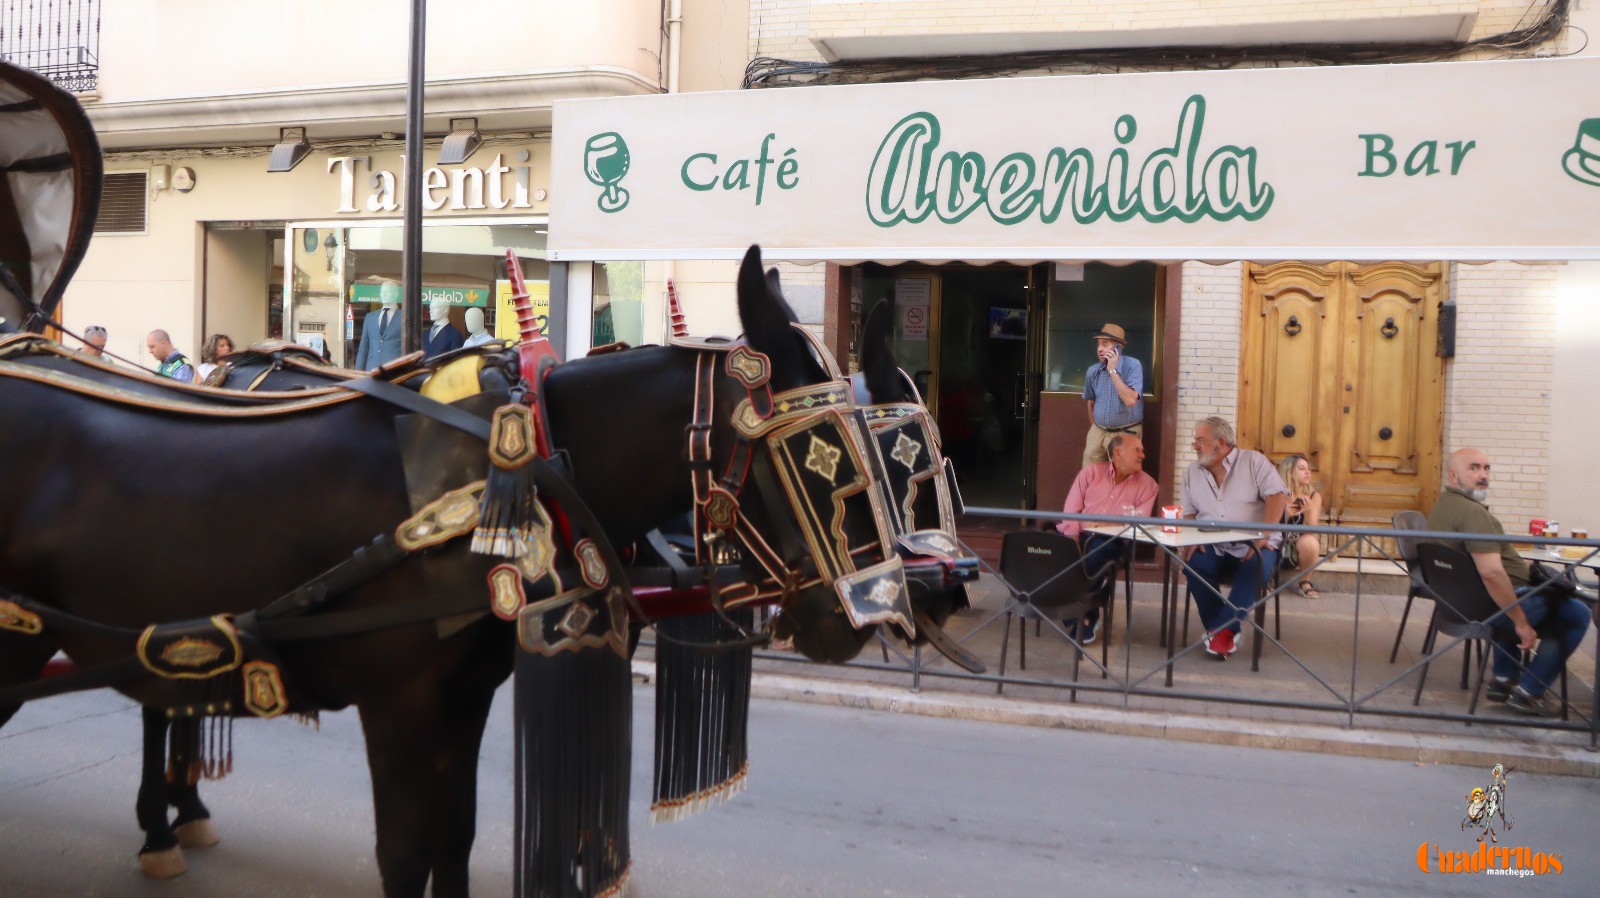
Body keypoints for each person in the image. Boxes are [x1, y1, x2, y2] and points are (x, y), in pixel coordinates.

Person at [1426, 448, 1591, 717]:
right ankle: (1529, 693)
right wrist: (1521, 623)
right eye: (1474, 468)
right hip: (1486, 612)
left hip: (1458, 606)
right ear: (1453, 476)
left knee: (1526, 594)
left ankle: (1504, 679)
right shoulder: (1473, 513)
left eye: (1487, 468)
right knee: (1577, 613)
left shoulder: (1444, 505)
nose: (1483, 475)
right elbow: (1491, 574)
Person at [1179, 416, 1289, 659]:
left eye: (1200, 440)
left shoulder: (1253, 461)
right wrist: (1191, 536)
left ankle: (1222, 631)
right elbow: (1189, 513)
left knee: (1254, 568)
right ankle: (1225, 629)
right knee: (1193, 564)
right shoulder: (1192, 472)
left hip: (1257, 543)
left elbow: (1278, 495)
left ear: (1220, 443)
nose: (1194, 446)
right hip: (1214, 544)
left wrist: (1263, 533)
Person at [1055, 433, 1159, 644]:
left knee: (1096, 553)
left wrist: (1107, 526)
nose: (1143, 455)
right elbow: (1071, 510)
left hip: (1113, 541)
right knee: (1056, 553)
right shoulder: (1091, 473)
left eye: (1142, 450)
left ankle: (1081, 616)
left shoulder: (1149, 485)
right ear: (1118, 453)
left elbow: (1140, 520)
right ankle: (1078, 615)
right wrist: (1073, 538)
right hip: (1078, 534)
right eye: (1137, 450)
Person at [1082, 322, 1144, 468]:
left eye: (1105, 344)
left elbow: (1130, 400)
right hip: (1098, 432)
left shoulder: (1133, 366)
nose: (1100, 349)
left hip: (1125, 433)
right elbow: (1090, 403)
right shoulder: (1093, 371)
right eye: (1098, 344)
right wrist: (1096, 429)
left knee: (1123, 477)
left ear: (1119, 347)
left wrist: (1112, 371)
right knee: (1091, 475)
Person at [1276, 453, 1324, 598]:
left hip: (1296, 547)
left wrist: (1307, 512)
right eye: (1302, 468)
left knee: (1311, 542)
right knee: (1269, 537)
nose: (1308, 472)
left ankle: (1305, 581)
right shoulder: (1277, 493)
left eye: (1308, 469)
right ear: (1289, 472)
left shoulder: (1313, 496)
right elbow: (1268, 523)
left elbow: (1312, 529)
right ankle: (1265, 580)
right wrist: (1289, 512)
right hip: (1276, 541)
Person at [356, 280, 404, 370]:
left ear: (396, 294)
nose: (384, 294)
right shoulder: (370, 317)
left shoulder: (404, 317)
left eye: (387, 291)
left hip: (394, 370)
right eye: (382, 291)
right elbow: (363, 349)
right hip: (371, 369)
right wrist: (357, 373)